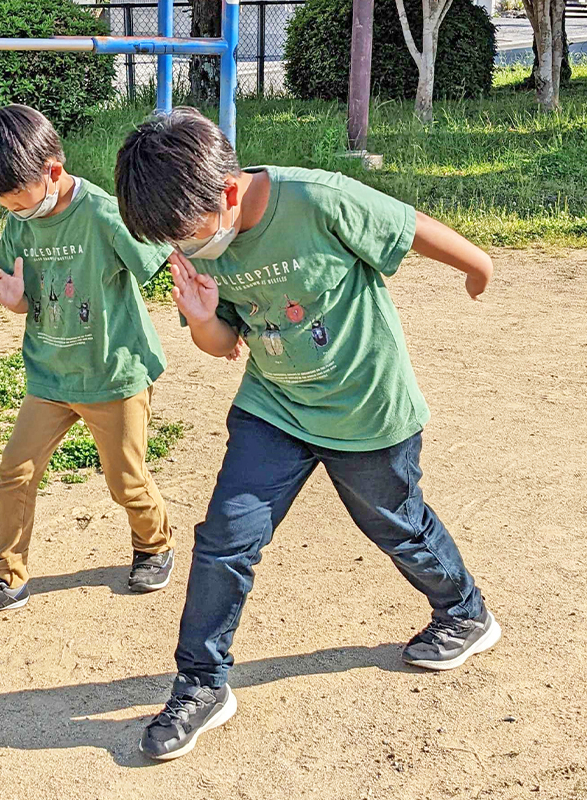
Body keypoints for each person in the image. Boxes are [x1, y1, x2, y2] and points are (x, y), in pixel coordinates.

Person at [114, 107, 501, 760]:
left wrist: (477, 266)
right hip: (275, 406)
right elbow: (222, 345)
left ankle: (464, 612)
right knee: (223, 540)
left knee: (396, 525)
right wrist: (204, 317)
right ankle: (202, 682)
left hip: (365, 410)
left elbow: (408, 229)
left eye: (188, 233)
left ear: (228, 193)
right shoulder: (200, 246)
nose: (185, 249)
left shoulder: (317, 198)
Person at [0, 104, 175, 624]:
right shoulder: (19, 224)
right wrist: (15, 301)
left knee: (126, 481)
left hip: (111, 375)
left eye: (16, 196)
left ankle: (153, 543)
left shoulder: (102, 212)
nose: (13, 208)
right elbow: (26, 294)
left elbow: (158, 260)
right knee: (15, 472)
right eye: (2, 201)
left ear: (53, 169)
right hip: (49, 375)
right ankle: (7, 576)